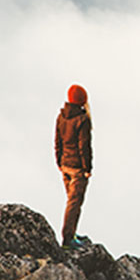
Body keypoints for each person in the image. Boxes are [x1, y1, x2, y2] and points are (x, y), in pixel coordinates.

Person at [55, 84, 92, 250]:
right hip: (77, 169)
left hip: (65, 165)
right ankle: (68, 239)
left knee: (71, 202)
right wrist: (87, 168)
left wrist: (59, 162)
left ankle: (72, 233)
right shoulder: (82, 120)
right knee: (75, 203)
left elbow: (58, 142)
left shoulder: (62, 116)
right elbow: (84, 146)